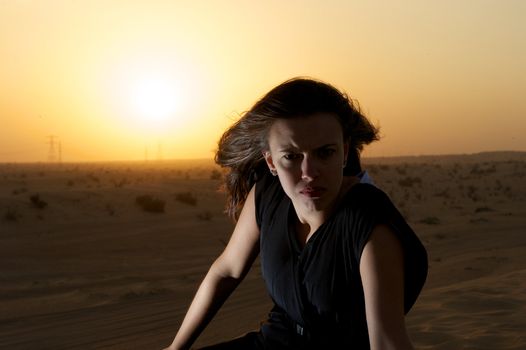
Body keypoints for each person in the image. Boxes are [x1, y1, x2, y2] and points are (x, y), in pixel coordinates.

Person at [164, 77, 428, 350]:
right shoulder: (268, 194)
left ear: (345, 151)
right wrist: (175, 348)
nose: (309, 173)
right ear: (271, 162)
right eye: (291, 156)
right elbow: (227, 272)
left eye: (325, 153)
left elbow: (386, 343)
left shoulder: (369, 224)